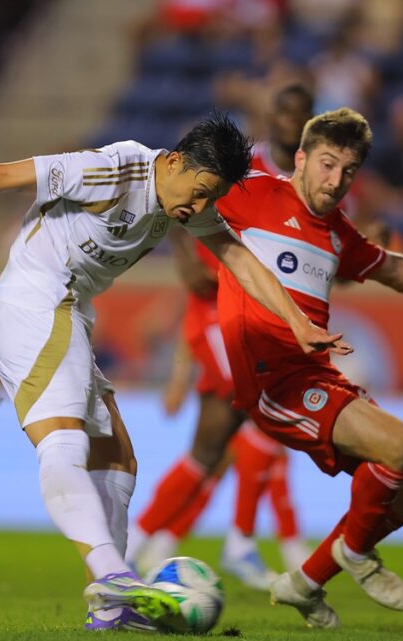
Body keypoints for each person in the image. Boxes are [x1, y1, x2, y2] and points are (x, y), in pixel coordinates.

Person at [0, 112, 350, 632]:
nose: (200, 208)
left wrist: (297, 321)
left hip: (67, 312)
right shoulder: (112, 170)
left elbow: (237, 256)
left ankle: (113, 607)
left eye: (212, 200)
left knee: (118, 459)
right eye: (201, 192)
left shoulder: (182, 201)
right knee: (65, 442)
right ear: (175, 161)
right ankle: (113, 576)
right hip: (34, 302)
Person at [212, 107, 403, 629]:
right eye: (326, 165)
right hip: (272, 381)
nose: (335, 180)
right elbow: (180, 197)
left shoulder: (337, 233)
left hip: (316, 376)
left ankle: (303, 583)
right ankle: (358, 556)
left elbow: (391, 268)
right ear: (300, 159)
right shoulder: (250, 193)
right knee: (398, 443)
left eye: (347, 172)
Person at [127, 84, 316, 589]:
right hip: (219, 305)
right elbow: (179, 196)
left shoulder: (308, 182)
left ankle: (176, 538)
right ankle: (161, 538)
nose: (287, 119)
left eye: (298, 113)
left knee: (242, 437)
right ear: (271, 114)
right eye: (281, 109)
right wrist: (186, 259)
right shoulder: (241, 167)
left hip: (256, 308)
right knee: (224, 437)